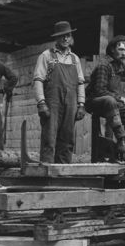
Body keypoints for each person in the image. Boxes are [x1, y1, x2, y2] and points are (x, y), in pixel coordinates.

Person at [86, 35, 125, 166]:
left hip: (113, 105)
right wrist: (121, 99)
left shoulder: (121, 64)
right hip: (96, 102)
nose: (123, 53)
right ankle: (121, 141)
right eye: (120, 49)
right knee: (110, 100)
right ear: (112, 50)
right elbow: (100, 91)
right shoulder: (104, 66)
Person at [32, 20, 86, 164]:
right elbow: (38, 80)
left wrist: (81, 104)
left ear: (71, 37)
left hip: (71, 103)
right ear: (56, 38)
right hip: (52, 102)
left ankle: (63, 171)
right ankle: (47, 170)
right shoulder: (46, 56)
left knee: (67, 138)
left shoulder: (75, 59)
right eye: (62, 36)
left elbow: (80, 83)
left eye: (67, 35)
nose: (65, 39)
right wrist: (41, 103)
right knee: (49, 138)